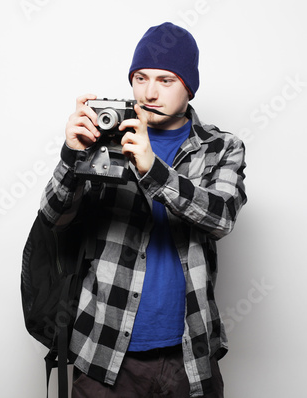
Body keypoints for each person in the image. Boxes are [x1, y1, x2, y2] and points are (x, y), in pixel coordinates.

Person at [39, 22, 247, 397]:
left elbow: (221, 216)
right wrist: (72, 156)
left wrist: (155, 171)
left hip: (189, 351)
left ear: (189, 87)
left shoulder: (221, 147)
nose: (149, 92)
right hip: (102, 348)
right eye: (140, 78)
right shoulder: (105, 138)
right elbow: (54, 216)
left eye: (166, 80)